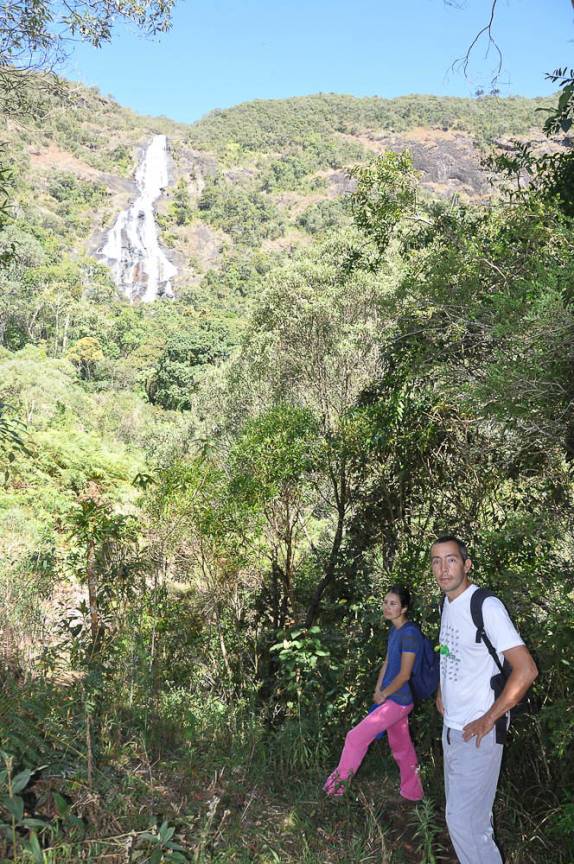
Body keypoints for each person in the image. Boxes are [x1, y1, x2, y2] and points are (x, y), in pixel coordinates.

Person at [431, 534, 538, 864]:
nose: (443, 568)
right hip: (452, 731)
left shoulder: (485, 605)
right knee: (473, 823)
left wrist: (489, 718)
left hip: (479, 733)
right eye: (436, 561)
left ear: (467, 565)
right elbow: (451, 653)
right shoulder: (446, 605)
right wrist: (440, 690)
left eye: (451, 560)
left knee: (463, 823)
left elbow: (526, 670)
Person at [324, 585, 424, 801]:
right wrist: (378, 689)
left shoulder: (410, 634)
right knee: (402, 746)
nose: (387, 607)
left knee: (355, 737)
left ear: (404, 608)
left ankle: (336, 788)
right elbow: (388, 662)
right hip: (390, 698)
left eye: (393, 604)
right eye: (386, 602)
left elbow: (405, 675)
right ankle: (413, 792)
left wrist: (385, 694)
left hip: (398, 700)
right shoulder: (395, 630)